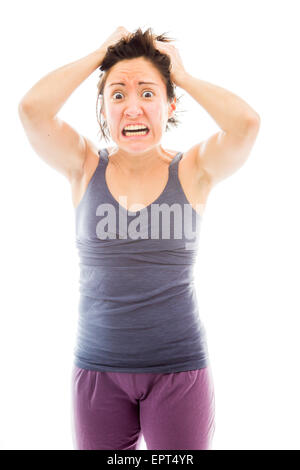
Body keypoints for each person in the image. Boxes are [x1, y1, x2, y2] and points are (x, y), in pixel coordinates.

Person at [18, 26, 260, 450]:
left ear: (169, 106)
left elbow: (246, 124)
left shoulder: (192, 170)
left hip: (179, 371)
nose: (133, 108)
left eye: (148, 93)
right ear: (104, 108)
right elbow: (32, 110)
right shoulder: (83, 165)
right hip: (97, 371)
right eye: (118, 95)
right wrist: (99, 54)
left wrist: (178, 75)